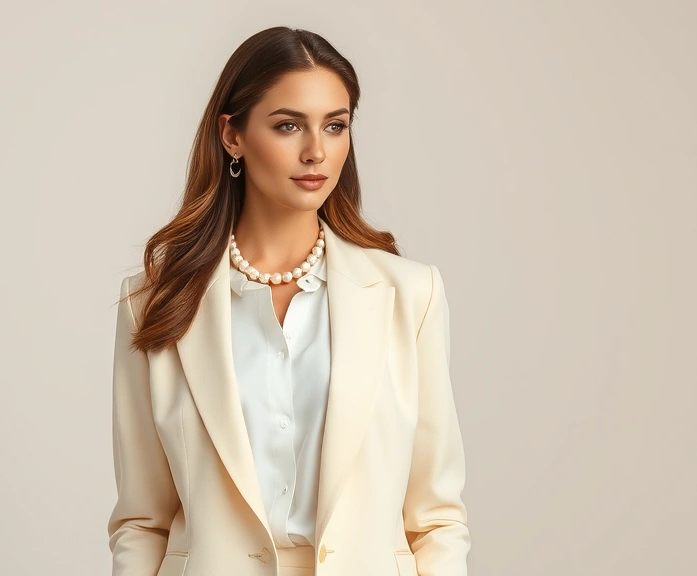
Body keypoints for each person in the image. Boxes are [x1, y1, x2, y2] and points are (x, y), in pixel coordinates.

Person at [108, 26, 470, 576]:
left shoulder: (410, 295)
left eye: (335, 126)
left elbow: (436, 519)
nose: (316, 151)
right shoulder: (155, 302)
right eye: (288, 125)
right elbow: (143, 521)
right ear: (232, 135)